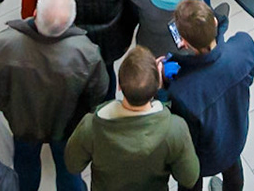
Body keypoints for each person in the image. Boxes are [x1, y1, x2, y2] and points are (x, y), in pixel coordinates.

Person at [0, 0, 107, 191]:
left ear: (36, 12)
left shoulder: (1, 44)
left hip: (23, 125)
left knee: (25, 167)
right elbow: (98, 96)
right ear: (70, 21)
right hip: (66, 129)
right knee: (69, 170)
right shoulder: (87, 54)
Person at [63, 45, 200, 191]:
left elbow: (73, 164)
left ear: (119, 87)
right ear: (157, 86)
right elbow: (189, 178)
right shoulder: (175, 129)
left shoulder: (90, 125)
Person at [162, 0, 254, 191]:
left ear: (185, 43)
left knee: (191, 183)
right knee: (233, 171)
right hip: (236, 134)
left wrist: (161, 86)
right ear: (214, 22)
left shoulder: (183, 92)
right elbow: (250, 74)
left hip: (204, 157)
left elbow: (186, 137)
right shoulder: (244, 46)